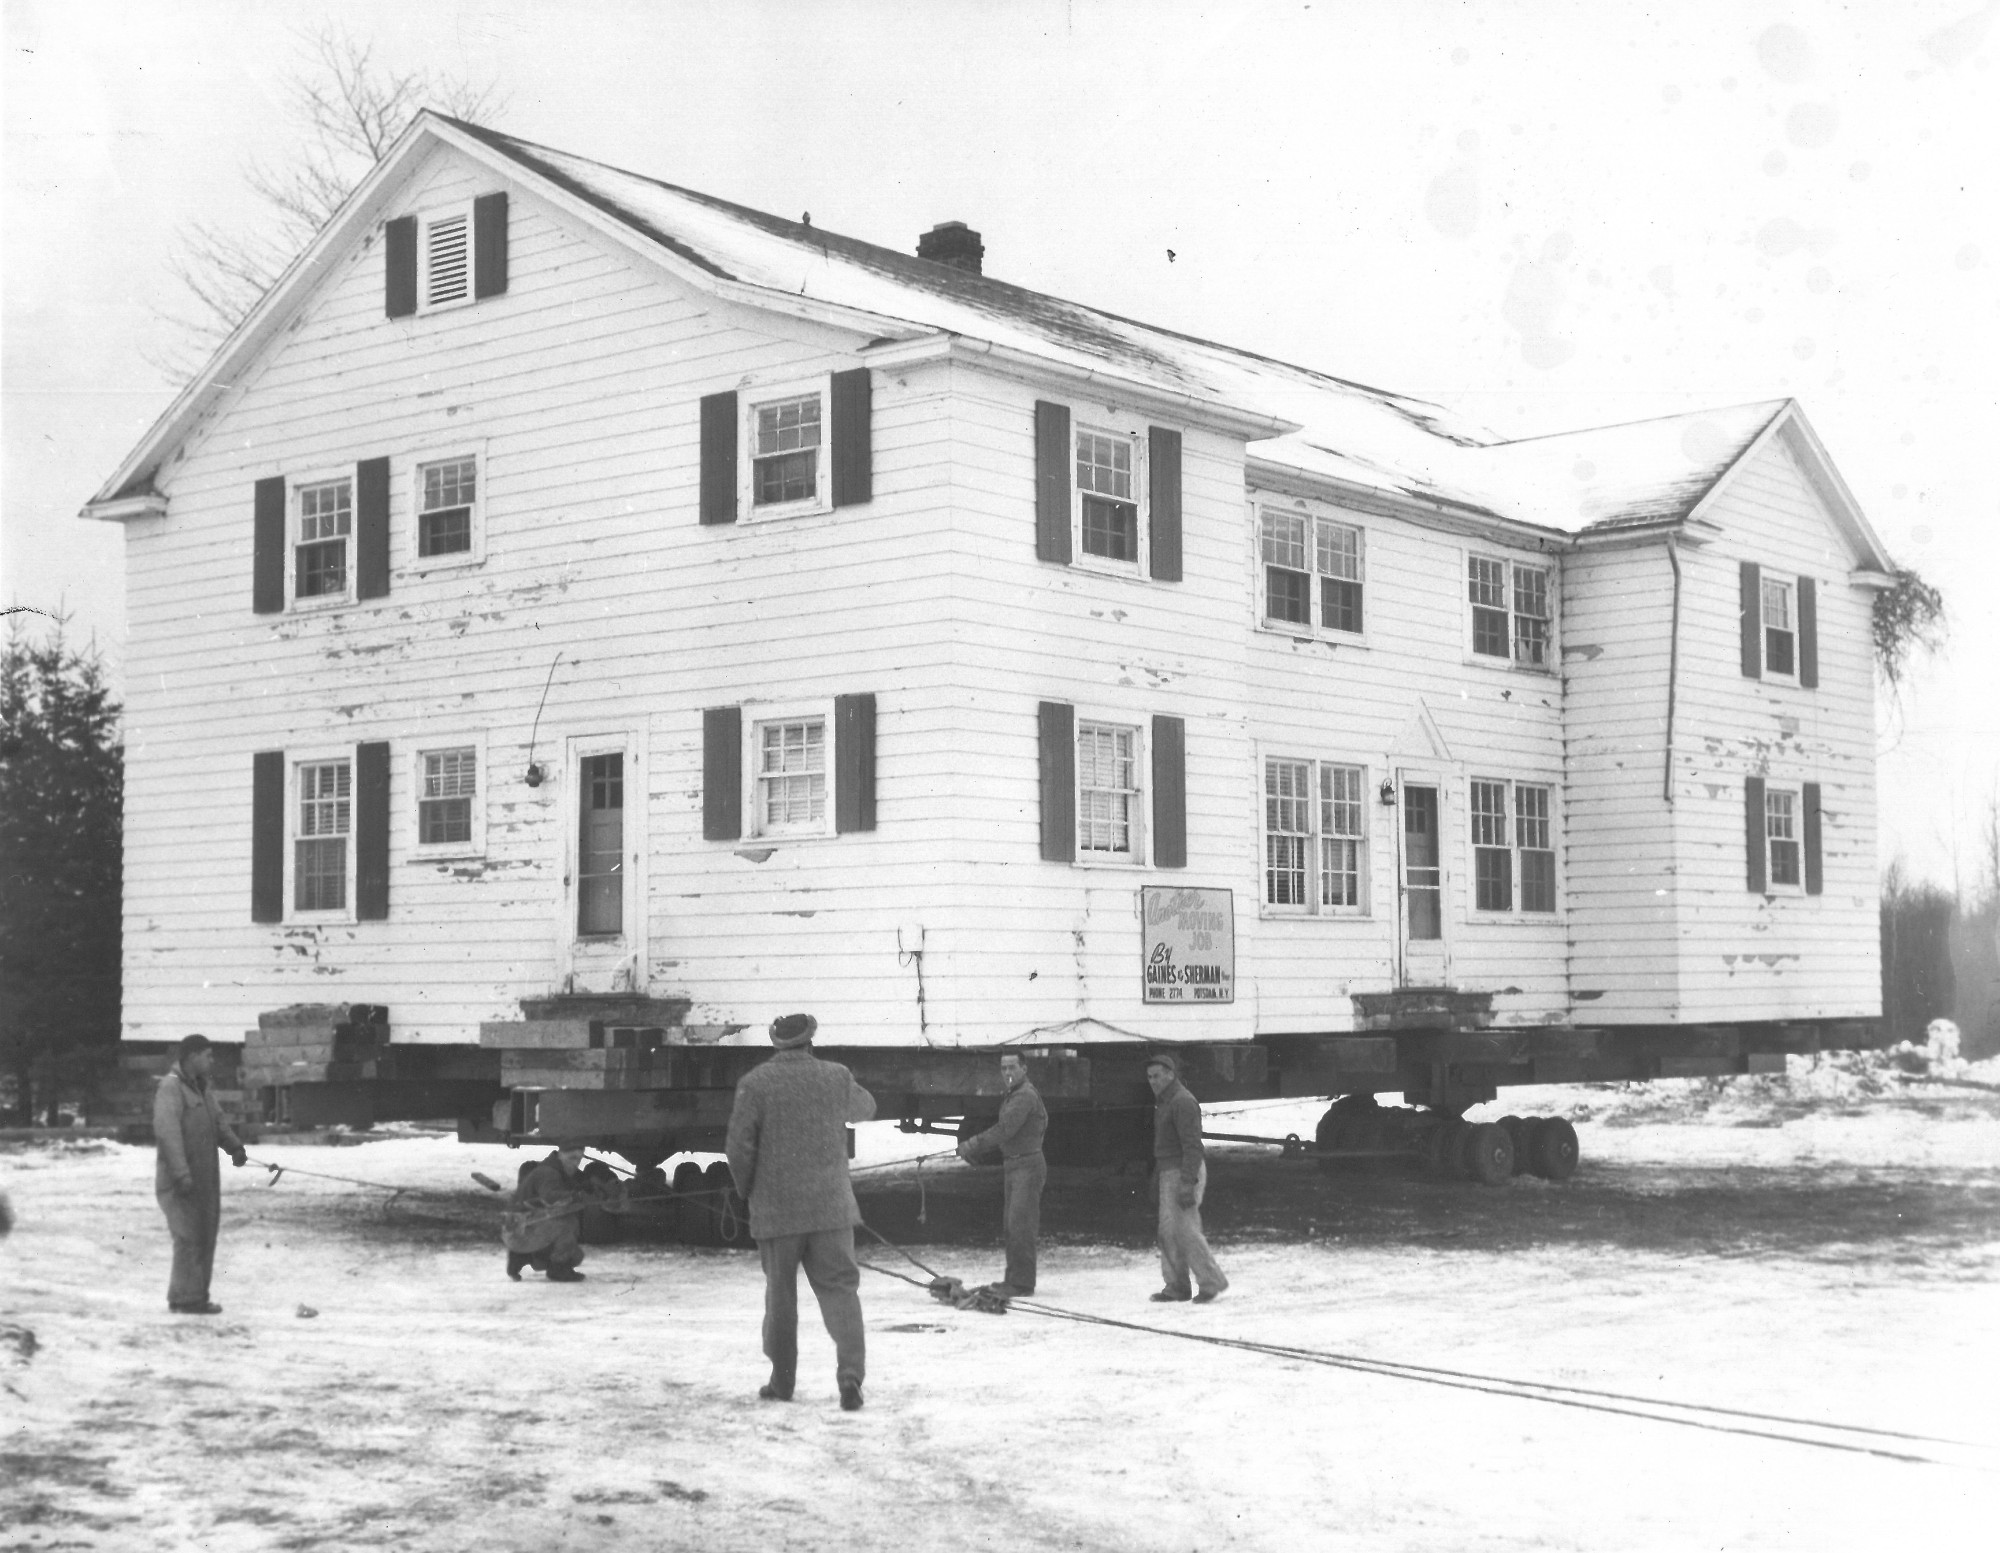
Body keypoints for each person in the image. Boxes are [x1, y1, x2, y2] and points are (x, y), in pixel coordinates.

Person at [725, 1012, 877, 1411]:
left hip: (778, 1213)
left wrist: (747, 1191)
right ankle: (850, 1376)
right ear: (811, 1041)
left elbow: (738, 1149)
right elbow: (867, 1108)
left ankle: (782, 1382)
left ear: (775, 1043)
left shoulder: (754, 1084)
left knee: (781, 1297)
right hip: (831, 1209)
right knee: (841, 1291)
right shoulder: (836, 1075)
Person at [153, 1034, 249, 1315]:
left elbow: (218, 1122)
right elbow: (167, 1133)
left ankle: (195, 1297)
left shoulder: (202, 1089)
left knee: (205, 1235)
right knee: (187, 1237)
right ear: (192, 1056)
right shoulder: (170, 1089)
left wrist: (235, 1147)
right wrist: (181, 1175)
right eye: (207, 1055)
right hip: (180, 1180)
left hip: (204, 1180)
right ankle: (184, 1299)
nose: (212, 1061)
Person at [955, 1051, 1048, 1296]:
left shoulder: (1024, 1096)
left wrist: (972, 1144)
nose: (1007, 1072)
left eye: (1012, 1067)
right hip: (1015, 1165)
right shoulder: (1014, 1095)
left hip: (1026, 1166)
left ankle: (1022, 1283)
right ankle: (1014, 1279)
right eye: (1003, 1068)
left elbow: (1004, 1130)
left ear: (1024, 1069)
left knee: (1020, 1225)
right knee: (1012, 1225)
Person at [1145, 1051, 1228, 1304]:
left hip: (1183, 1171)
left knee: (1186, 1230)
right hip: (1170, 1171)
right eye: (1149, 1077)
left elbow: (1193, 1147)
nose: (1153, 1081)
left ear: (1171, 1075)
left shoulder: (1182, 1102)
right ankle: (1177, 1286)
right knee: (1168, 1232)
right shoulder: (1166, 1101)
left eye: (1157, 1076)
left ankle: (1211, 1282)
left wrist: (1187, 1182)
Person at [503, 1144, 596, 1282]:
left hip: (519, 1230)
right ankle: (557, 1269)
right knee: (568, 1223)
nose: (576, 1163)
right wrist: (576, 1195)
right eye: (572, 1158)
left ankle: (522, 1257)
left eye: (579, 1159)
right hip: (519, 1232)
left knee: (576, 1256)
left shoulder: (557, 1169)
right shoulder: (549, 1173)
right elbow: (550, 1197)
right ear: (560, 1155)